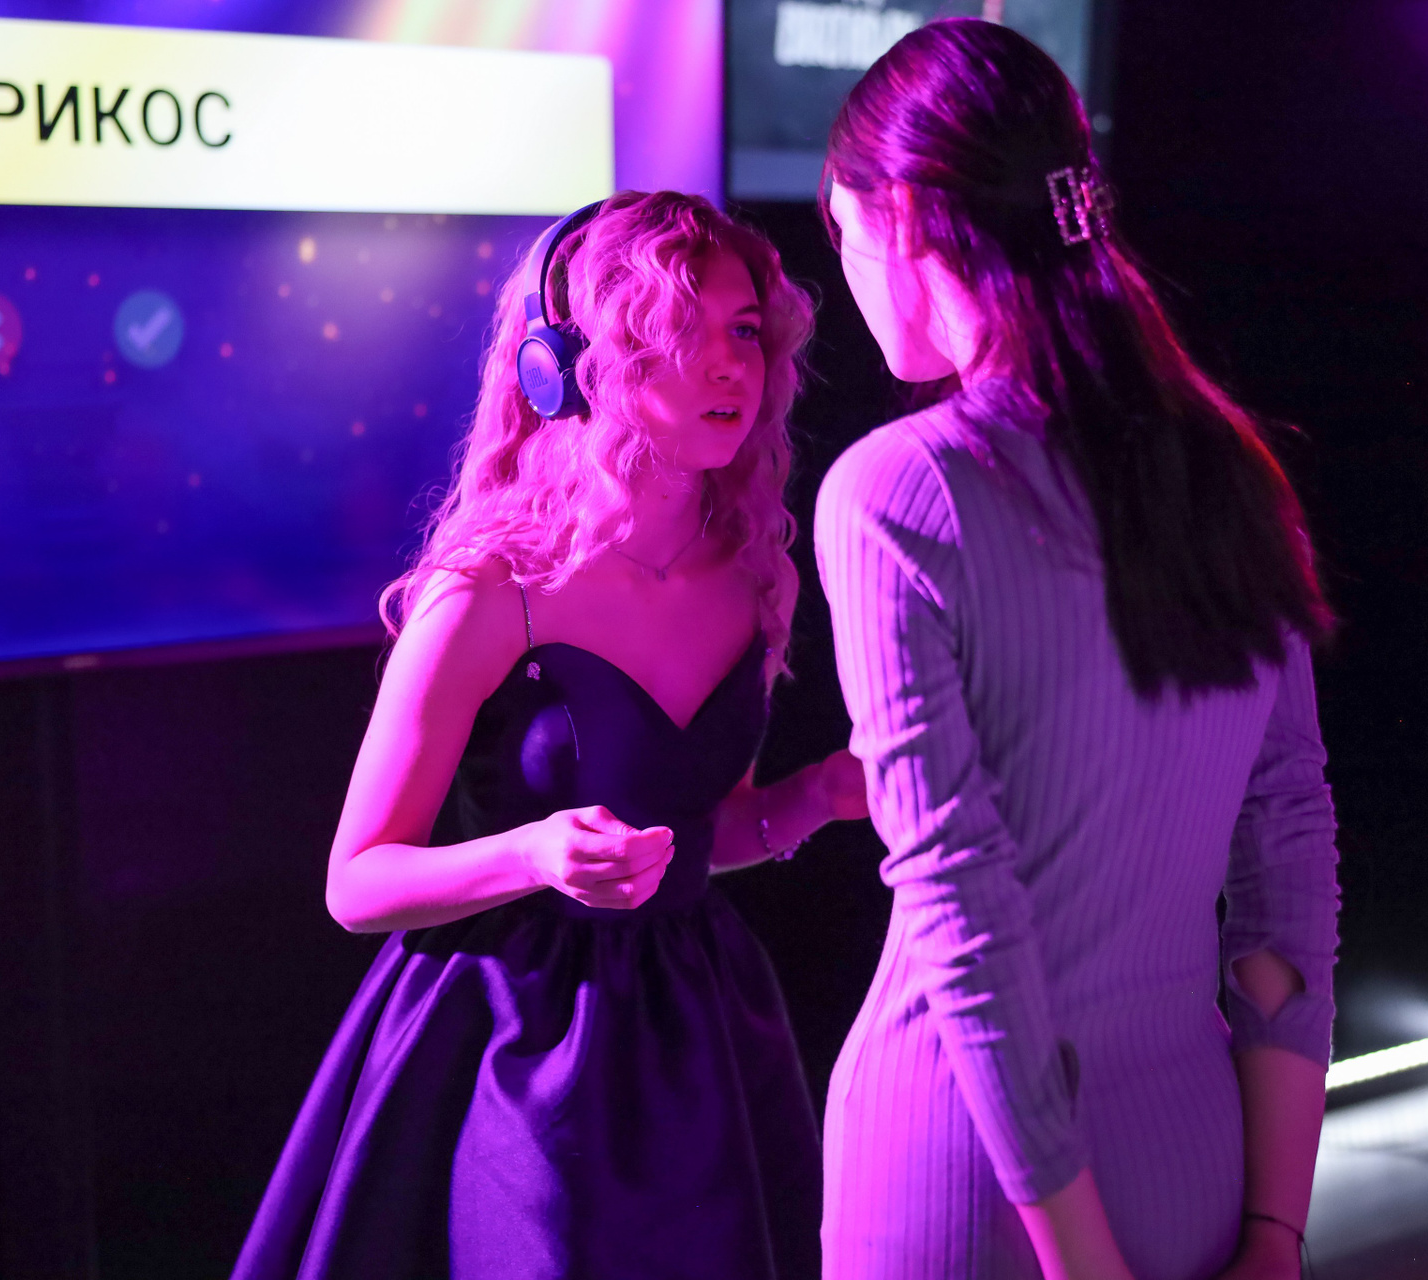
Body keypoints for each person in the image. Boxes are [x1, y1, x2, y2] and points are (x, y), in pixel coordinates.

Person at [231, 190, 863, 1280]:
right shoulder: (489, 589)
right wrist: (534, 854)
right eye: (680, 329)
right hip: (509, 1050)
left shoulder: (758, 573)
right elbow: (357, 881)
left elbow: (709, 833)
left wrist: (815, 800)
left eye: (745, 329)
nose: (731, 365)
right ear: (568, 364)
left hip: (701, 1030)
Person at [812, 19, 1341, 1280]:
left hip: (968, 1181)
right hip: (1198, 1163)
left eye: (842, 233)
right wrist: (1276, 1228)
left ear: (905, 215)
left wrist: (1083, 1261)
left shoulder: (896, 490)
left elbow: (965, 914)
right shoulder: (1232, 476)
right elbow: (1288, 855)